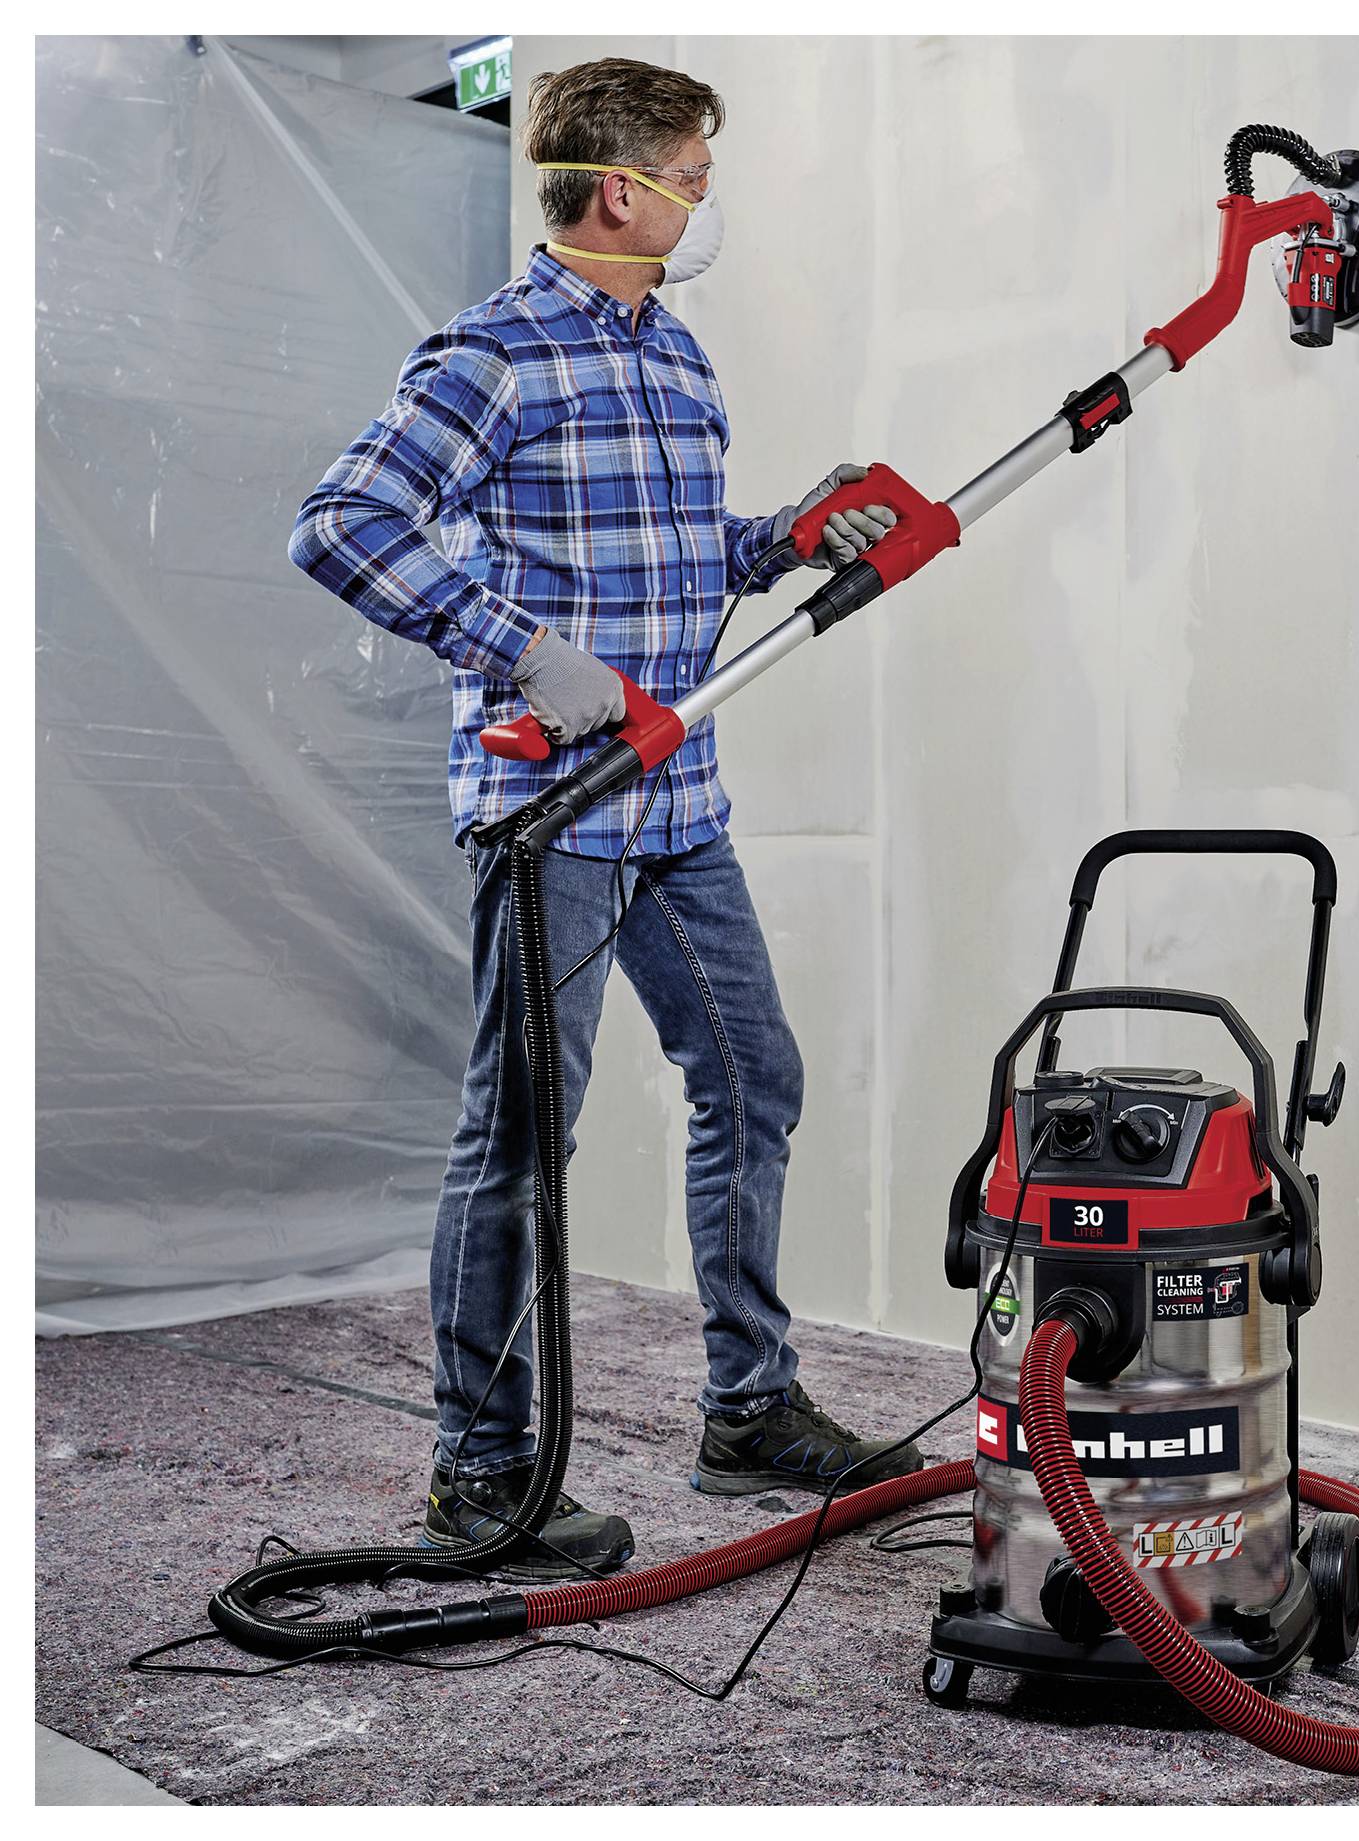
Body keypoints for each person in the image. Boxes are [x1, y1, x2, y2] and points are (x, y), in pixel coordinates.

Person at [288, 56, 920, 1582]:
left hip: (676, 802)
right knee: (519, 1134)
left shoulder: (675, 356)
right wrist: (525, 653)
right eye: (694, 178)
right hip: (549, 807)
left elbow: (670, 551)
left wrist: (781, 536)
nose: (708, 204)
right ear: (621, 191)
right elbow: (340, 523)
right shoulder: (492, 354)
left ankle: (748, 1407)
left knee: (751, 1077)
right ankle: (480, 1475)